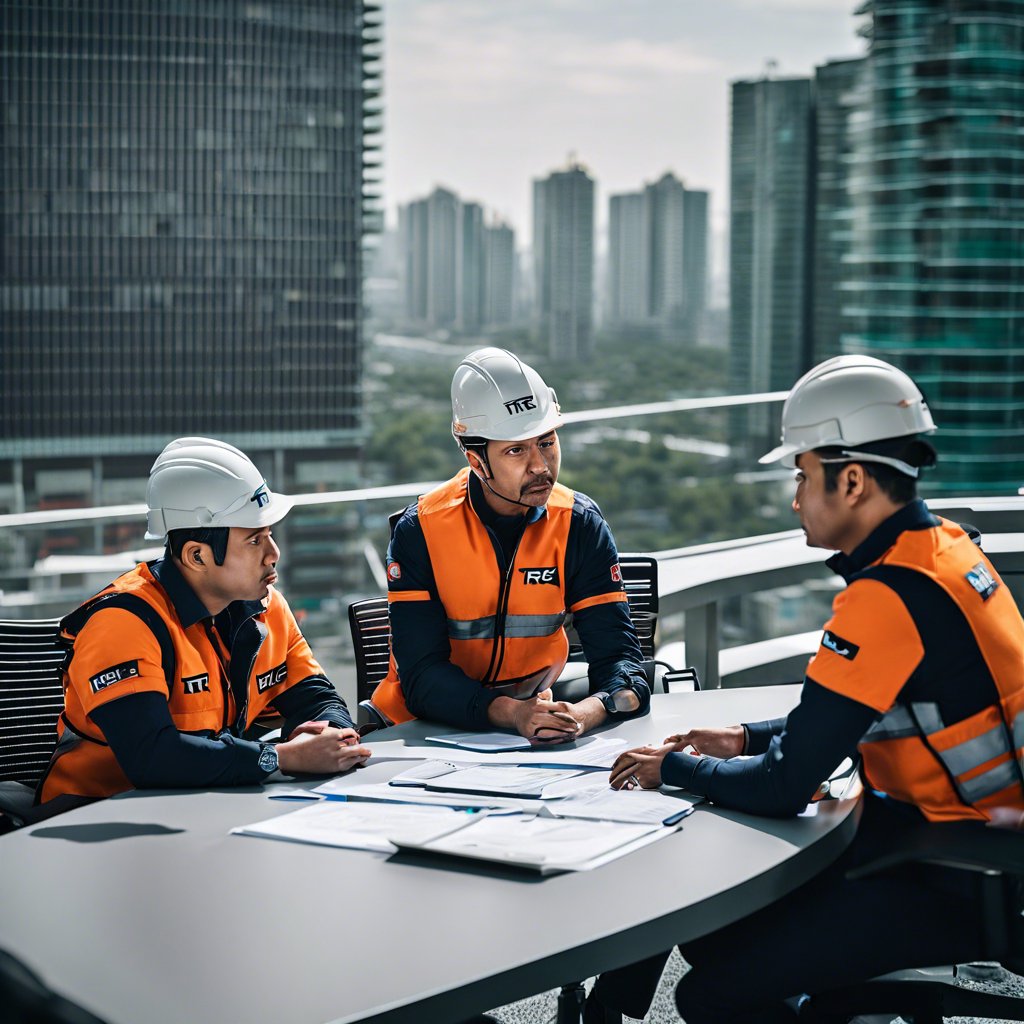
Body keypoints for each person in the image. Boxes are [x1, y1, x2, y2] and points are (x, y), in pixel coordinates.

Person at [587, 355, 1024, 1024]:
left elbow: (784, 785)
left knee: (712, 989)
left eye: (802, 475)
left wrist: (673, 766)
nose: (795, 497)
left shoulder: (888, 600)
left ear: (851, 480)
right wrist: (740, 738)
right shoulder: (947, 553)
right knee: (718, 934)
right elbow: (864, 716)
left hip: (956, 872)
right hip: (980, 851)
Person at [36, 437, 370, 809]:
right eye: (255, 540)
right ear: (197, 556)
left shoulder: (264, 606)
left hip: (205, 804)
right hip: (95, 814)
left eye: (270, 536)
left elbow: (320, 698)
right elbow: (152, 757)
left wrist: (329, 734)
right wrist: (283, 757)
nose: (273, 554)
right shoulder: (124, 623)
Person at [367, 347, 650, 743]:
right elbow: (422, 678)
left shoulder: (579, 524)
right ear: (476, 460)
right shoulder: (421, 530)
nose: (540, 466)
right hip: (416, 732)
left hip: (528, 731)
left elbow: (622, 661)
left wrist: (585, 714)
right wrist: (512, 714)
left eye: (547, 443)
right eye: (516, 450)